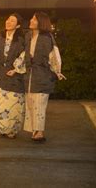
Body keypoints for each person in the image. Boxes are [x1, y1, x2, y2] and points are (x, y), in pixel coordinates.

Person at [20, 12, 66, 142]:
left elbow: (54, 55)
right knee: (30, 104)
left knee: (39, 104)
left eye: (34, 19)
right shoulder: (28, 36)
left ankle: (39, 132)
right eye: (32, 18)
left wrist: (57, 70)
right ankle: (34, 130)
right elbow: (24, 55)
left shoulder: (47, 37)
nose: (31, 20)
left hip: (43, 75)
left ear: (41, 22)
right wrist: (16, 68)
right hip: (29, 76)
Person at [0, 13, 26, 139]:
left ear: (18, 25)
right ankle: (4, 129)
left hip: (14, 75)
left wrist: (16, 69)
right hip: (0, 73)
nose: (8, 22)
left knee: (15, 104)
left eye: (12, 21)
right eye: (8, 19)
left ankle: (12, 130)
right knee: (2, 104)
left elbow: (24, 55)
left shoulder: (21, 39)